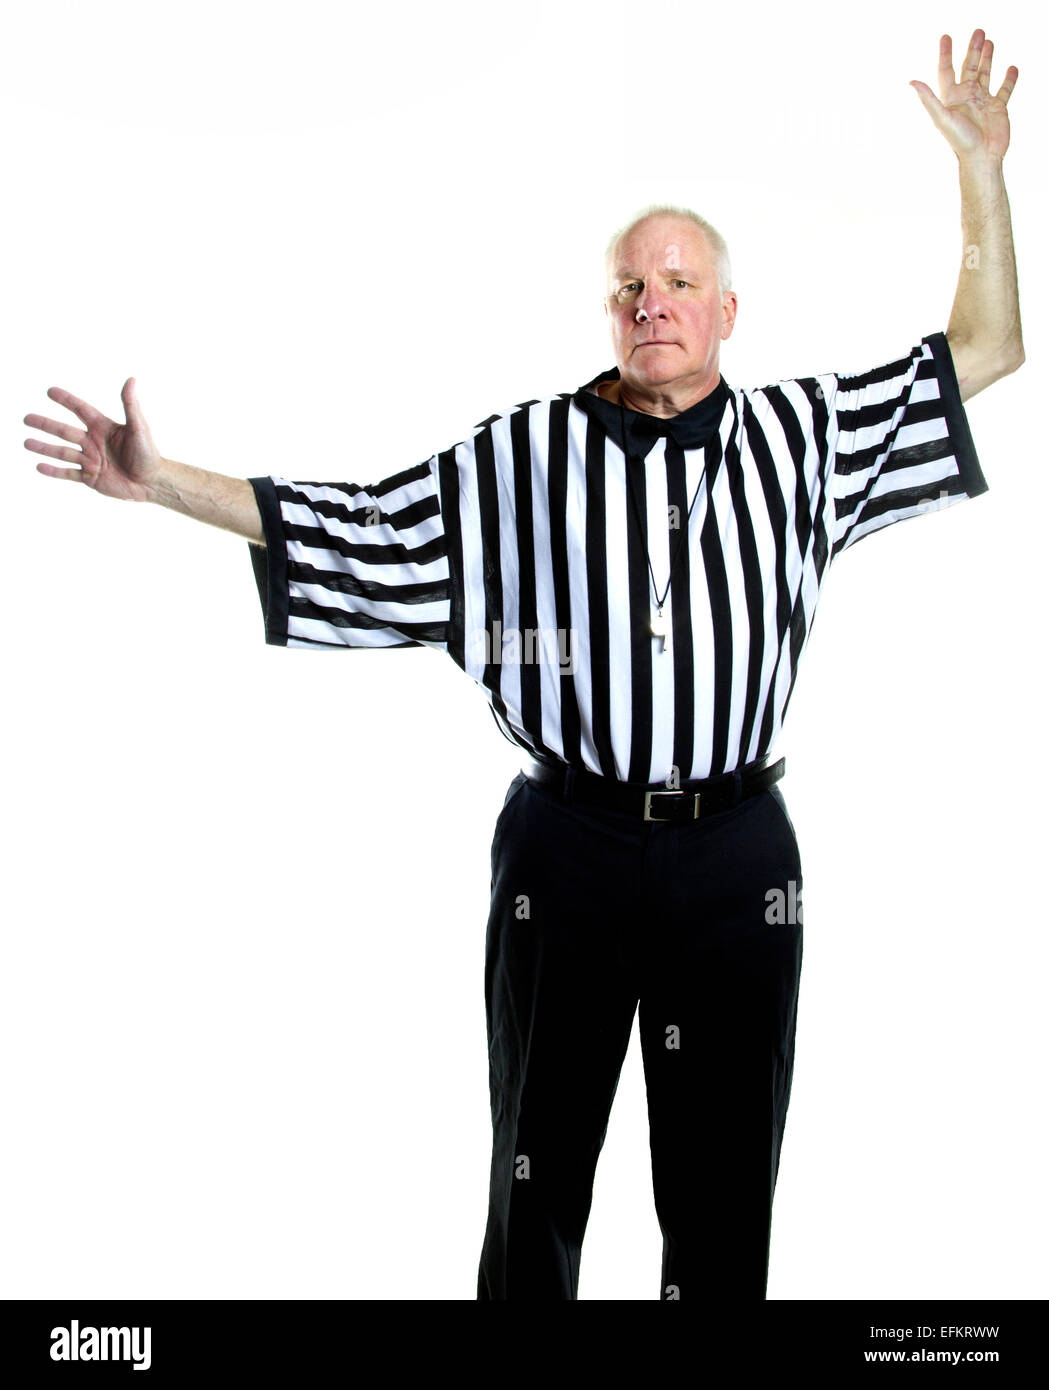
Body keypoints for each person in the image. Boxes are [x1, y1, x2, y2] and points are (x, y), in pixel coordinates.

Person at [23, 28, 1022, 1300]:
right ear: (608, 311)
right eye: (628, 287)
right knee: (534, 1182)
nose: (650, 302)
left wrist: (978, 172)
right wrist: (164, 483)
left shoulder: (802, 437)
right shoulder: (520, 458)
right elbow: (356, 521)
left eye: (676, 282)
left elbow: (982, 354)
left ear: (725, 312)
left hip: (736, 850)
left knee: (722, 1191)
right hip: (570, 848)